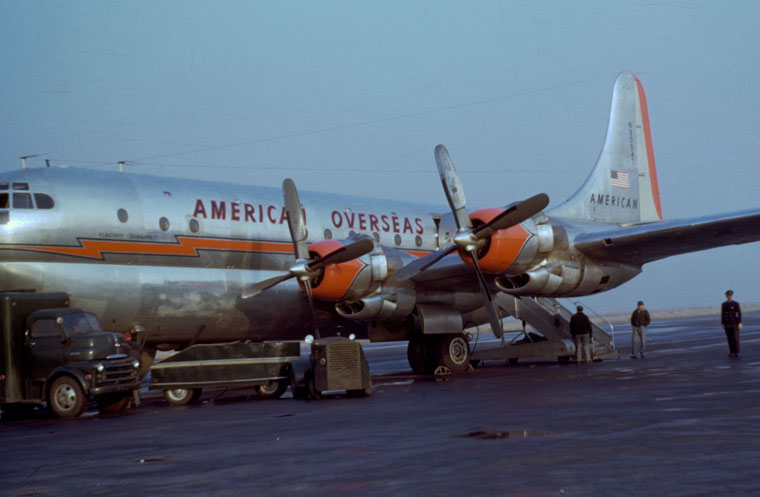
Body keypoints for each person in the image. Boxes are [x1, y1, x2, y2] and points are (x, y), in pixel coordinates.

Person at [721, 290, 742, 357]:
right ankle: (731, 352)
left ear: (731, 296)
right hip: (727, 323)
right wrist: (723, 323)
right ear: (726, 296)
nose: (729, 297)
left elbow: (739, 314)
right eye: (728, 296)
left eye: (730, 295)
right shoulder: (724, 304)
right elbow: (723, 314)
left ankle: (737, 352)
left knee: (735, 338)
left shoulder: (735, 303)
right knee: (729, 338)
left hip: (734, 323)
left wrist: (740, 322)